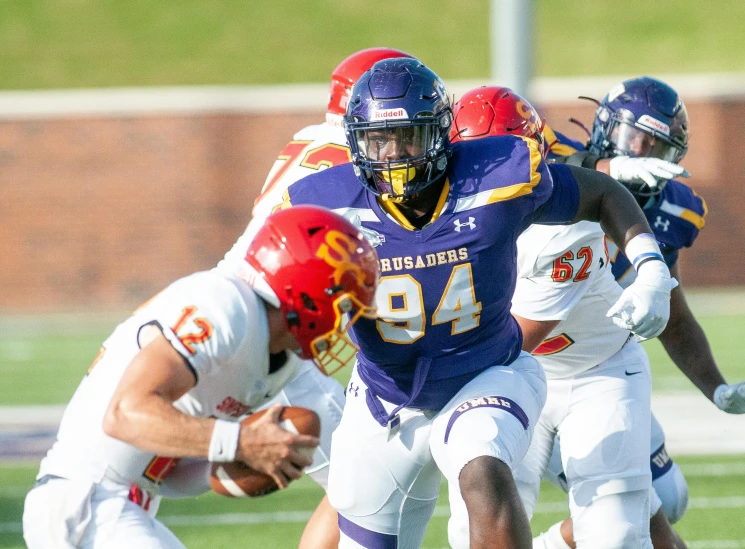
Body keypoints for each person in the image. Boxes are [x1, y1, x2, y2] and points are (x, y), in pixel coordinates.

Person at [241, 57, 677, 549]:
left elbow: (600, 193)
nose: (394, 156)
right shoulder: (324, 201)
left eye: (409, 137)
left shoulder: (495, 179)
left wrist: (651, 267)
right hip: (384, 391)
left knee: (482, 467)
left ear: (441, 134)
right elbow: (272, 295)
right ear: (356, 142)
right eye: (379, 140)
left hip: (487, 371)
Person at [22, 206, 380, 549]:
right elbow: (125, 414)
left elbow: (168, 471)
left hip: (118, 508)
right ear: (302, 287)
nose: (342, 323)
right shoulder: (227, 305)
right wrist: (241, 442)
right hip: (86, 504)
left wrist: (233, 465)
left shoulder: (279, 361)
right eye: (342, 303)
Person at [448, 85, 684, 549]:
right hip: (510, 373)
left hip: (591, 373)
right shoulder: (437, 210)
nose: (488, 182)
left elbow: (507, 342)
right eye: (475, 165)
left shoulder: (565, 229)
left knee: (617, 535)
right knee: (476, 525)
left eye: (503, 164)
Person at [534, 76, 745, 549]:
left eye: (659, 147)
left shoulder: (675, 209)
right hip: (529, 363)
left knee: (667, 500)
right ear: (606, 129)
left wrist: (716, 386)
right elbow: (528, 174)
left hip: (601, 369)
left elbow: (671, 310)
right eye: (635, 138)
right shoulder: (550, 161)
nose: (644, 153)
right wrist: (604, 168)